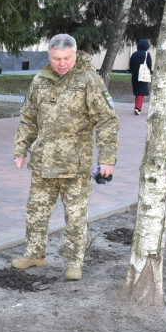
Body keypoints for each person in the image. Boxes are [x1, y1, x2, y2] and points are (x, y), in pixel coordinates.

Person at [11, 34, 119, 281]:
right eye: (56, 58)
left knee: (75, 217)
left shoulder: (89, 80)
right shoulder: (39, 81)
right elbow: (28, 118)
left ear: (75, 54)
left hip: (75, 167)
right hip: (42, 164)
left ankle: (73, 263)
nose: (61, 63)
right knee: (36, 212)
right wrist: (21, 150)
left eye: (67, 58)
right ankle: (34, 254)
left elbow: (107, 121)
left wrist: (107, 159)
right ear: (49, 56)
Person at [128, 39, 153, 115]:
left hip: (135, 75)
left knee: (137, 92)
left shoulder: (134, 54)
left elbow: (130, 65)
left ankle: (137, 107)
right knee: (141, 93)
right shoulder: (147, 54)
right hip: (143, 75)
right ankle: (138, 108)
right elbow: (149, 65)